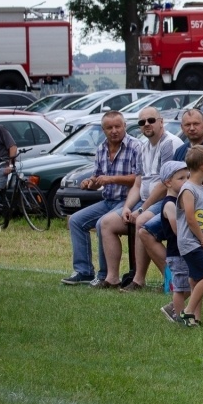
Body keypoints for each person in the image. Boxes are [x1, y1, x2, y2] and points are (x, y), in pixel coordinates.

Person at [138, 109, 203, 286]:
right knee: (143, 226)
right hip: (177, 201)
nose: (192, 128)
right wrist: (144, 207)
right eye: (188, 125)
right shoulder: (180, 151)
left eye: (196, 124)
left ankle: (186, 274)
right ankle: (173, 277)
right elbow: (167, 182)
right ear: (182, 127)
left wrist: (180, 201)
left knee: (152, 227)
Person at [99, 106, 183, 291]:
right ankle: (112, 278)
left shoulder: (170, 143)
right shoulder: (143, 147)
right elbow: (138, 183)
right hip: (145, 201)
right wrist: (128, 207)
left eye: (151, 120)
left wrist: (142, 209)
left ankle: (139, 280)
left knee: (141, 222)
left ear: (161, 122)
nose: (146, 124)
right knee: (107, 223)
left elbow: (165, 184)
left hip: (167, 200)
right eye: (142, 122)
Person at [61, 112, 141, 286]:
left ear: (125, 126)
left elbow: (139, 179)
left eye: (117, 126)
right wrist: (90, 183)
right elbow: (98, 179)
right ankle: (83, 271)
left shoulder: (136, 146)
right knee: (75, 220)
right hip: (108, 201)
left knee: (102, 223)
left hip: (129, 201)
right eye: (109, 128)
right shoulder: (101, 149)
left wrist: (111, 179)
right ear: (103, 130)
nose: (114, 131)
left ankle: (105, 275)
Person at [178, 145, 203, 327]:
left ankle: (196, 317)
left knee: (196, 279)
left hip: (201, 239)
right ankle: (187, 312)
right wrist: (202, 238)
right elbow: (190, 218)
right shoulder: (188, 189)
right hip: (190, 241)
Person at [157, 161, 191, 324]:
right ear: (168, 182)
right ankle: (177, 314)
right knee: (182, 286)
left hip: (185, 250)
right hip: (177, 252)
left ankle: (175, 309)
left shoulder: (180, 201)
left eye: (188, 177)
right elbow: (178, 230)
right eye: (181, 178)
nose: (186, 181)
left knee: (191, 284)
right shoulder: (170, 204)